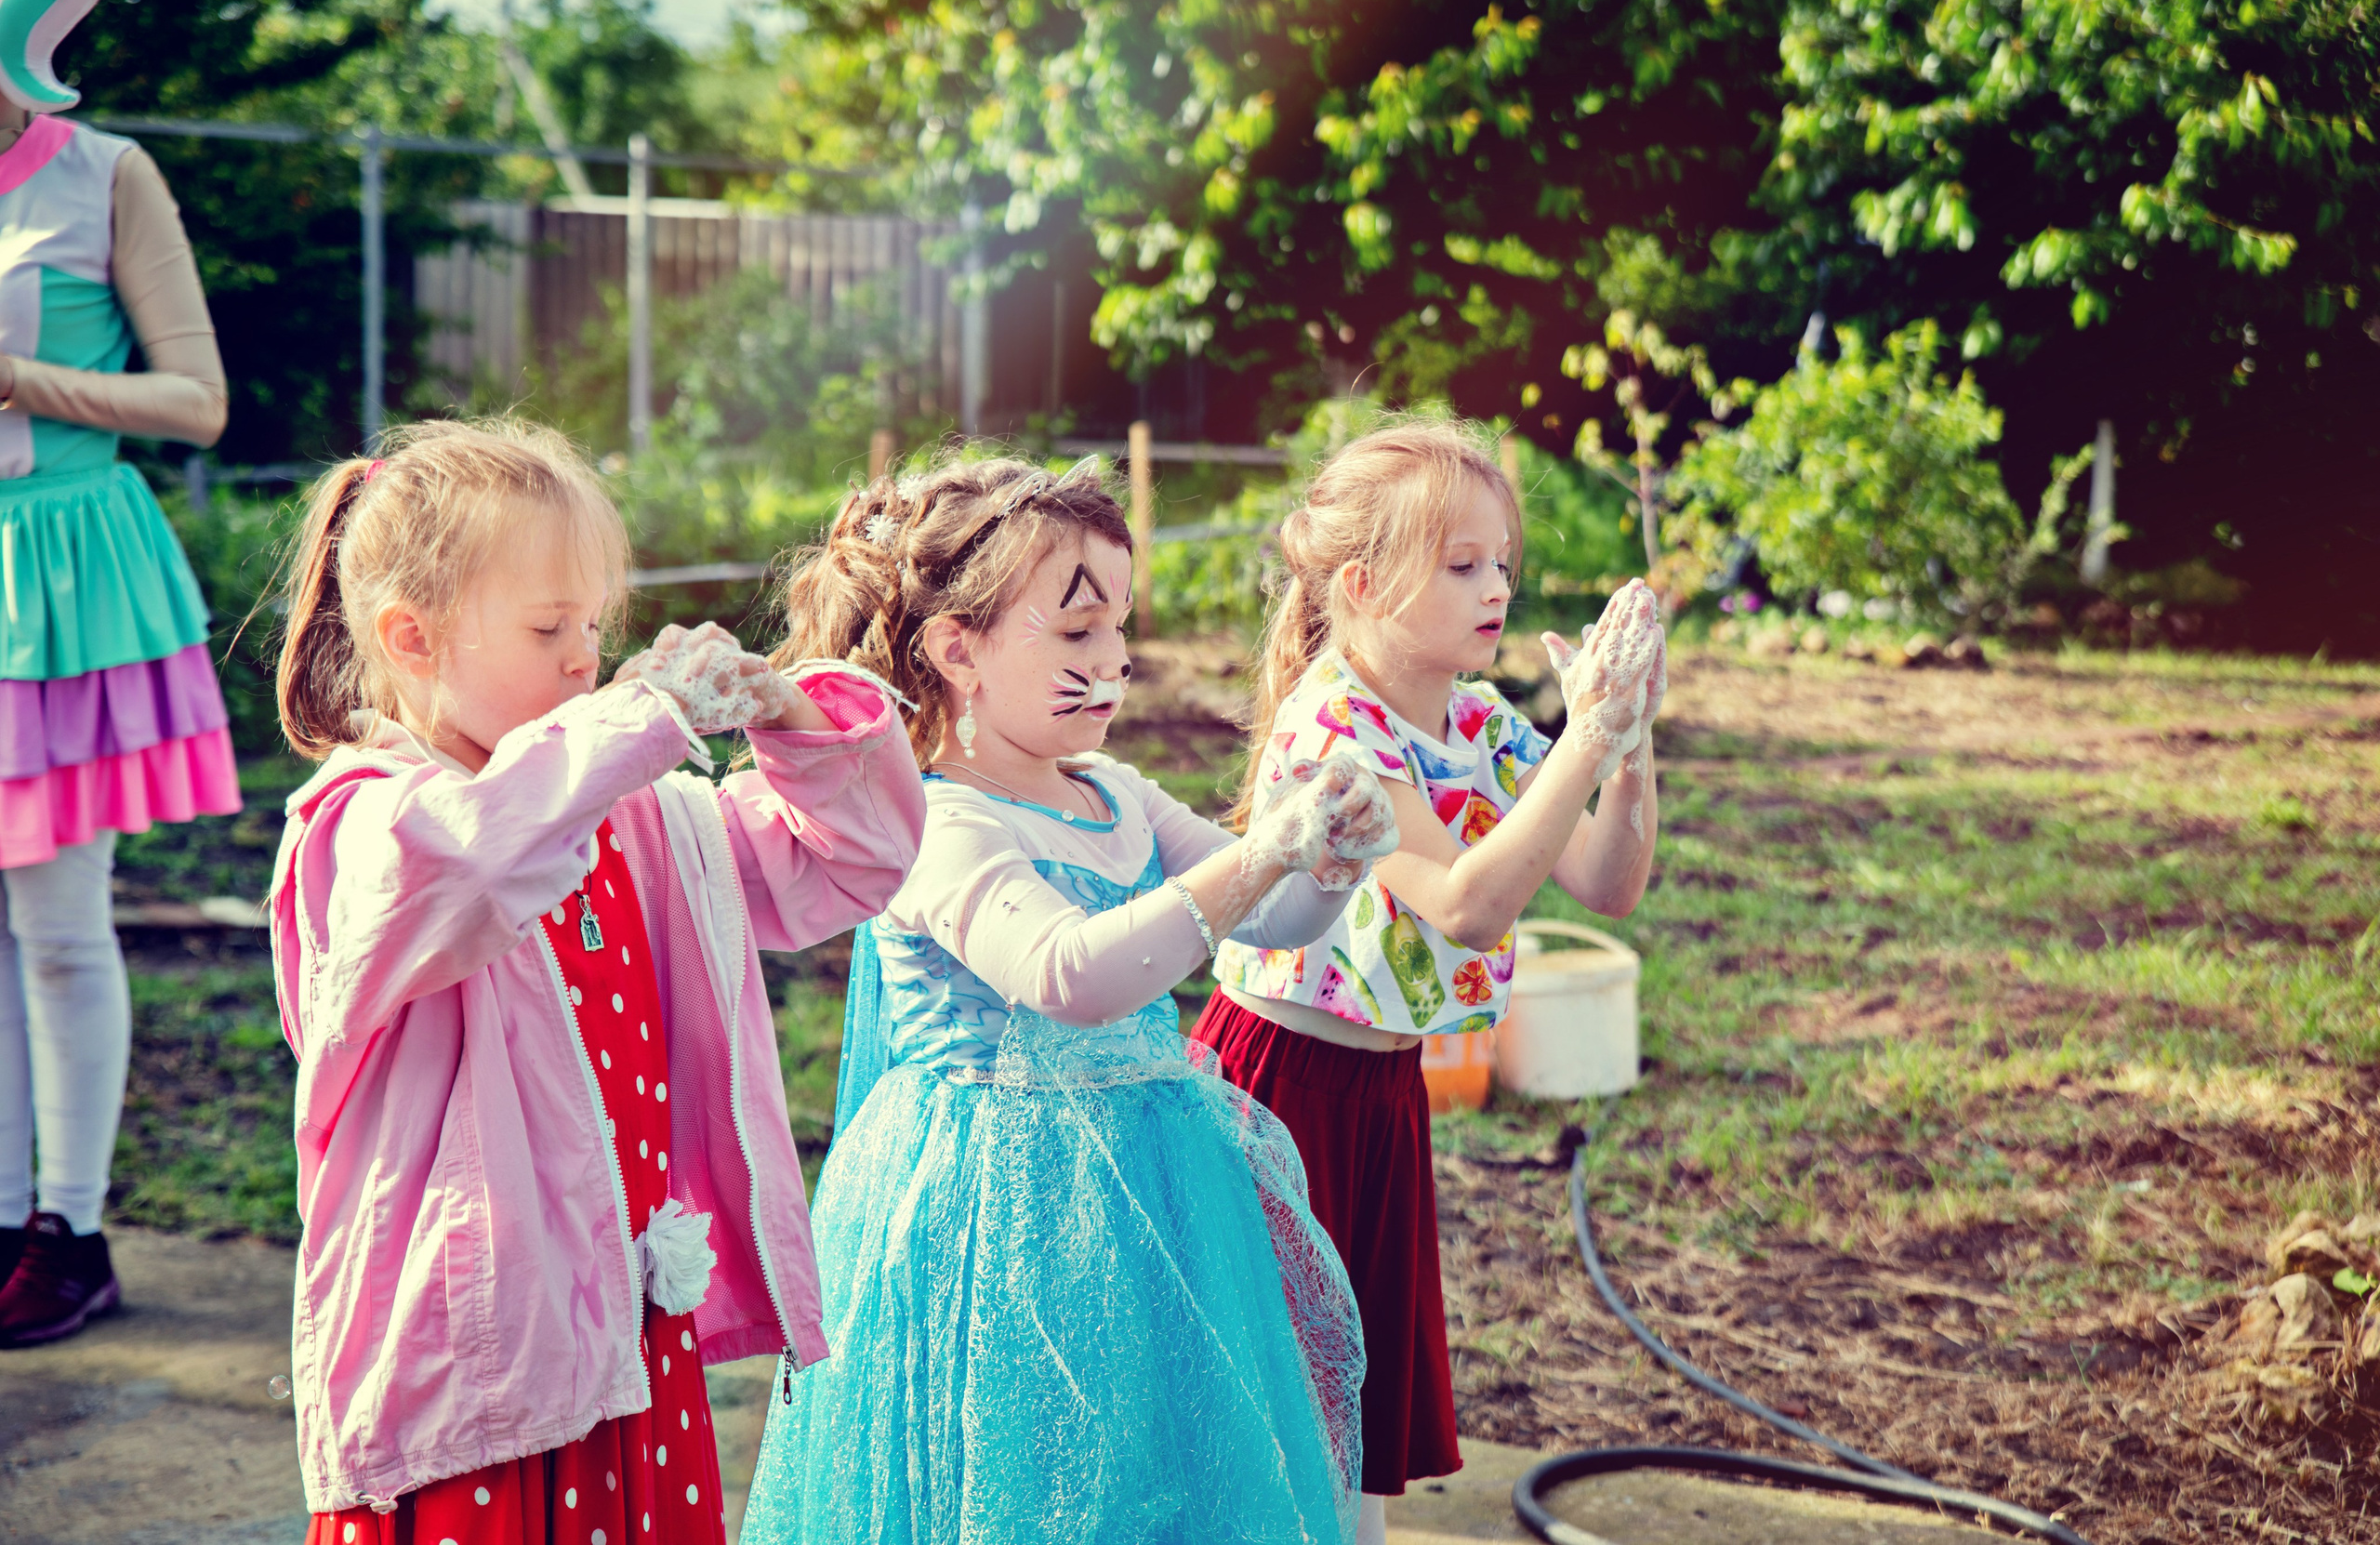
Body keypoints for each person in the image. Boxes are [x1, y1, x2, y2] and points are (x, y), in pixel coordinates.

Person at [265, 419, 926, 1542]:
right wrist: (638, 721)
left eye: (594, 625)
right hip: (475, 1354)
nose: (586, 655)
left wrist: (786, 709)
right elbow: (472, 864)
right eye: (545, 626)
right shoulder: (362, 824)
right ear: (409, 637)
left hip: (624, 1333)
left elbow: (848, 861)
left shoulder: (636, 815)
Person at [740, 454, 1398, 1545]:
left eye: (1120, 632)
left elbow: (1268, 926)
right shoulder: (936, 821)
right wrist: (1262, 855)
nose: (1117, 661)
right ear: (958, 651)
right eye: (1078, 633)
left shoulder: (1115, 794)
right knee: (1016, 1470)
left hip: (1153, 1183)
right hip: (988, 1207)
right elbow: (1071, 976)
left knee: (1150, 1456)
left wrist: (1325, 865)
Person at [1196, 422, 1666, 1545]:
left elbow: (1606, 881)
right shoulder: (1334, 725)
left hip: (1382, 1096)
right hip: (1278, 1086)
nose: (1494, 585)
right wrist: (1581, 741)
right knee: (1271, 1385)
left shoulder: (1473, 722)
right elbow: (1464, 905)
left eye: (1502, 561)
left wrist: (1627, 743)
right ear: (1361, 584)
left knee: (1357, 1387)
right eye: (1462, 565)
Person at [0, 0, 243, 1347]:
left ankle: (69, 1229)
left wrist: (21, 378)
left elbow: (198, 400)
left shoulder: (105, 173)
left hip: (69, 573)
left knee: (54, 921)